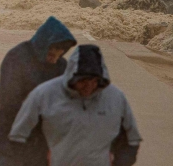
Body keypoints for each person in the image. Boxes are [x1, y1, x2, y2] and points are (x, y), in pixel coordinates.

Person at [10, 44, 142, 166]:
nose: (88, 86)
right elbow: (19, 136)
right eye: (82, 80)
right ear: (71, 77)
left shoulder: (116, 98)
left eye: (93, 80)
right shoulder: (44, 95)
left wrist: (120, 163)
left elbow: (132, 140)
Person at [0, 16, 76, 166]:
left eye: (60, 54)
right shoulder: (17, 58)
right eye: (52, 55)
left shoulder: (61, 66)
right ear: (43, 46)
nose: (55, 59)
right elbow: (8, 100)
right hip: (12, 136)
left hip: (45, 143)